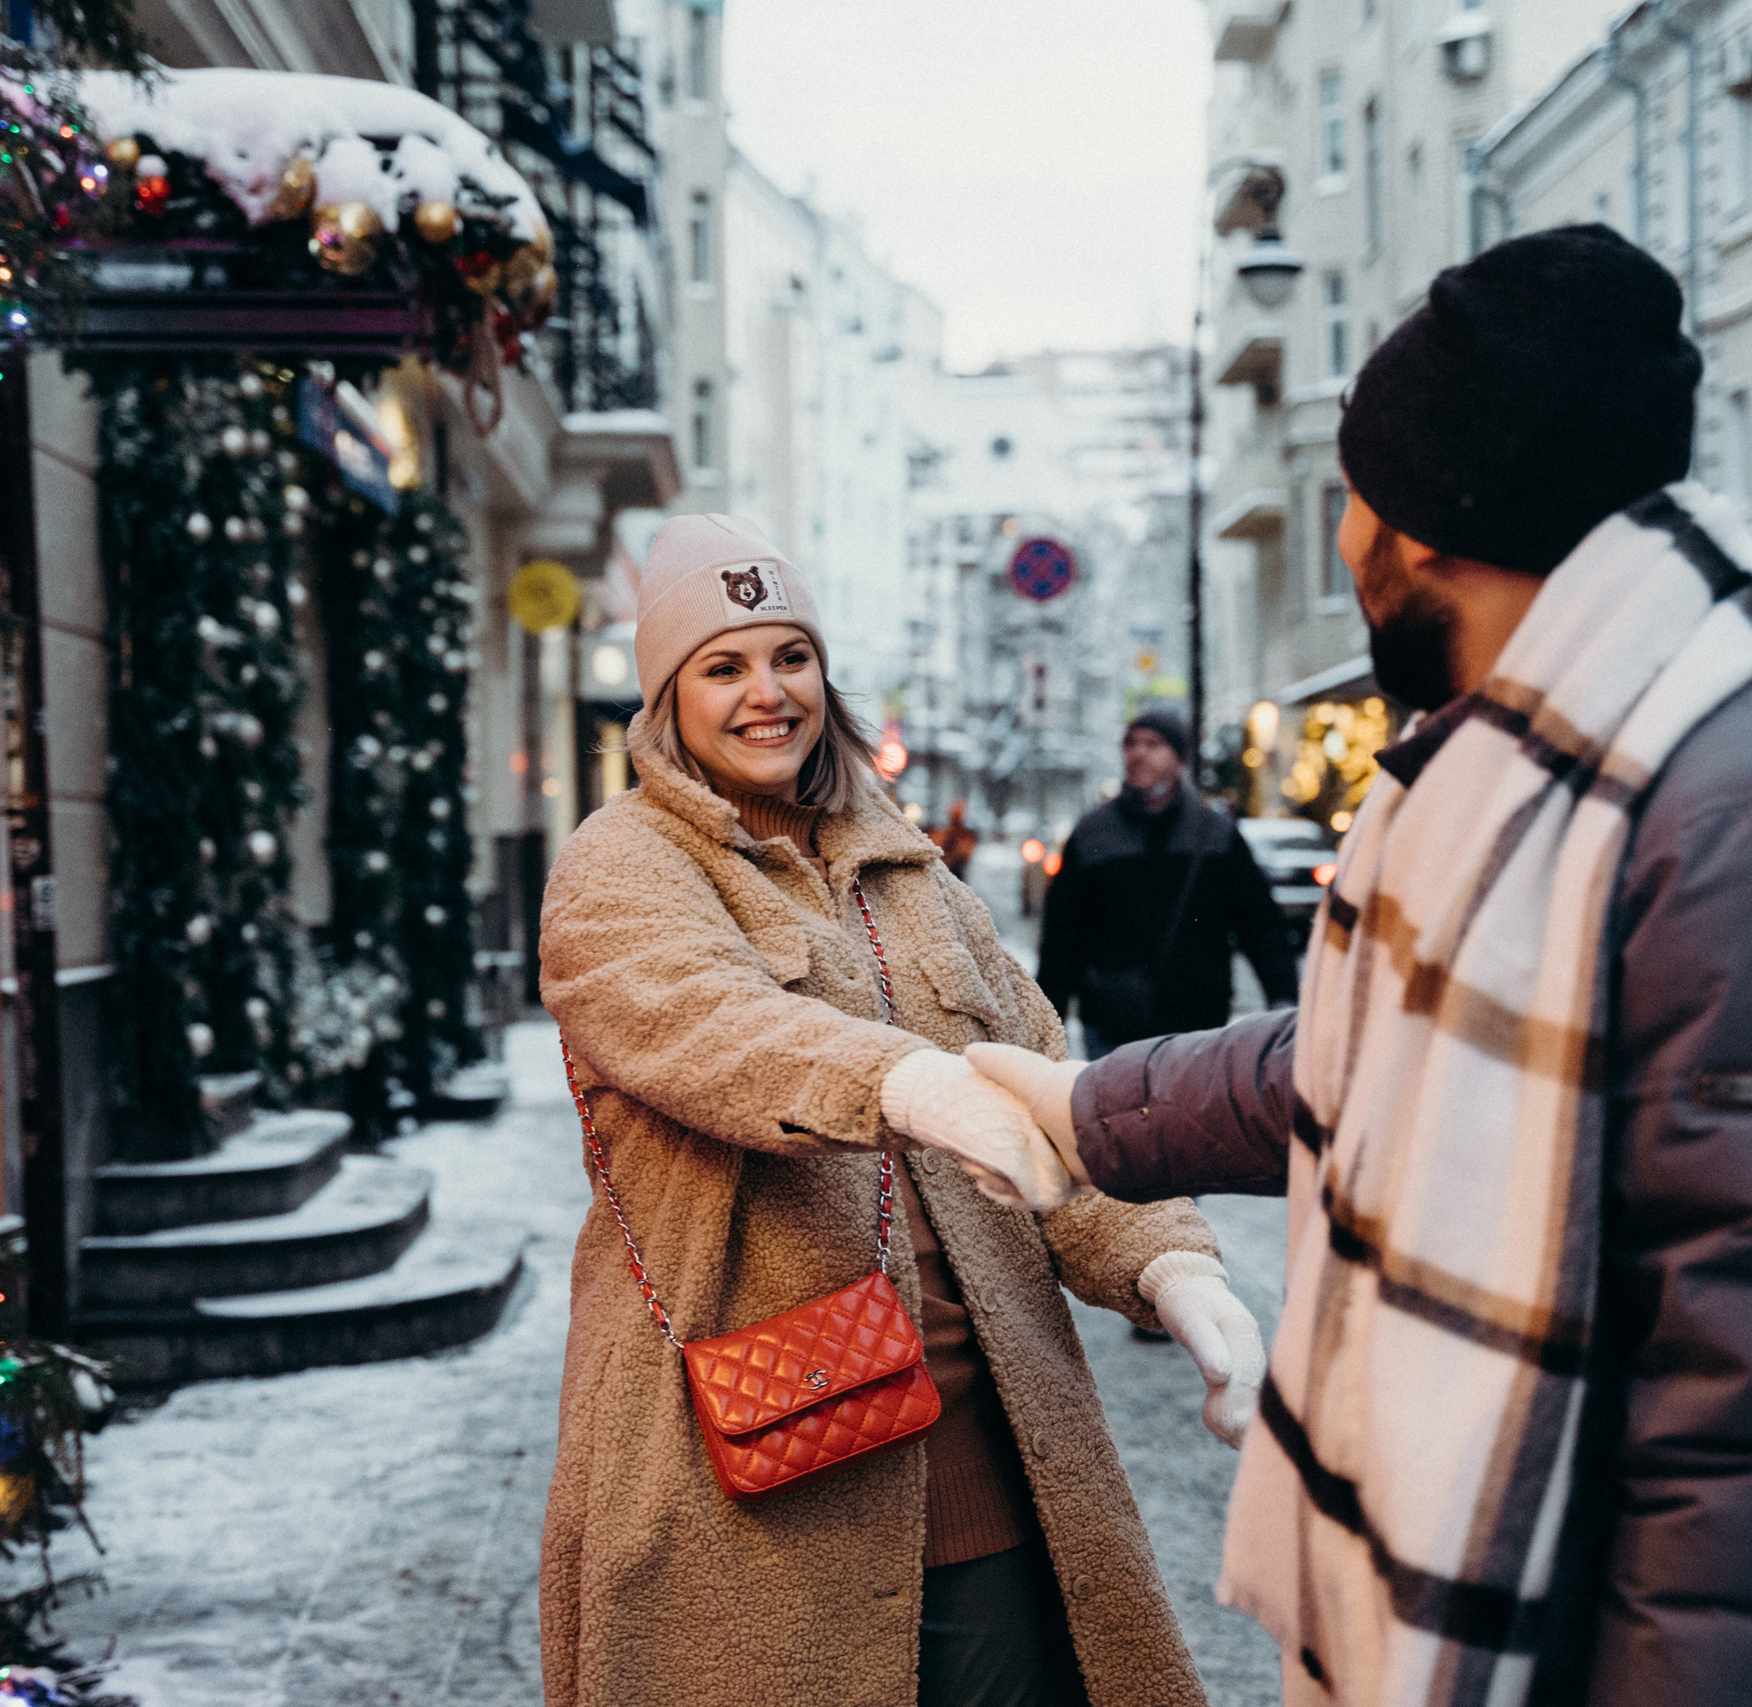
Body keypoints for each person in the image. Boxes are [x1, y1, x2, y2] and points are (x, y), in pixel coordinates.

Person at [948, 228, 1752, 1707]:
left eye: (1352, 494)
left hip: (1603, 1638)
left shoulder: (1747, 826)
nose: (1341, 540)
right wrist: (1086, 1112)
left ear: (1428, 524)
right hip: (1514, 1594)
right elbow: (1374, 1053)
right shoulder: (1535, 758)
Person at [534, 513, 1262, 1707]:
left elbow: (1044, 1083)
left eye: (790, 657)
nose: (766, 693)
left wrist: (1173, 1268)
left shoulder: (914, 876)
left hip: (991, 1462)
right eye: (722, 666)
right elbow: (708, 1024)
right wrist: (909, 1084)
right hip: (750, 1477)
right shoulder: (623, 866)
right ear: (667, 697)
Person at [1035, 708, 1298, 1059]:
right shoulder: (1092, 835)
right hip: (1113, 1028)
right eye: (1131, 744)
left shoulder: (1215, 834)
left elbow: (1260, 924)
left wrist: (1283, 999)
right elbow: (1061, 939)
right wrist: (1045, 1029)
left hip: (1197, 1029)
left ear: (1180, 759)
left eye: (1154, 744)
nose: (1139, 753)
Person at [929, 797, 980, 879]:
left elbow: (966, 854)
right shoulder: (940, 832)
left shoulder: (966, 835)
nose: (955, 817)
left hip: (955, 871)